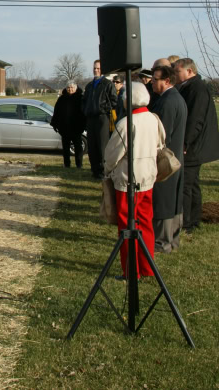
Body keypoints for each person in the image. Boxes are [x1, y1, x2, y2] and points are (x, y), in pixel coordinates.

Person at [104, 82, 165, 278]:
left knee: (127, 226)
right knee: (145, 222)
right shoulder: (153, 119)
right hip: (147, 177)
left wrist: (107, 170)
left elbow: (112, 154)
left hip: (127, 180)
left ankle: (131, 271)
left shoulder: (126, 123)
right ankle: (147, 267)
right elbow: (160, 144)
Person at [174, 58, 219, 232]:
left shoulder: (197, 89)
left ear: (189, 71)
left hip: (194, 146)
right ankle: (193, 219)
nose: (175, 75)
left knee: (187, 184)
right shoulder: (189, 87)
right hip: (193, 144)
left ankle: (188, 222)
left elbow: (196, 119)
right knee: (192, 184)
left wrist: (185, 142)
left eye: (177, 71)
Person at [149, 65, 186, 253]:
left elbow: (163, 135)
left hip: (167, 160)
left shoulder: (168, 102)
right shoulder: (173, 98)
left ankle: (163, 242)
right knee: (173, 199)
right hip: (175, 158)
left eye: (156, 79)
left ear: (167, 81)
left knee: (164, 200)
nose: (152, 82)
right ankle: (173, 239)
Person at [82, 60, 120, 179]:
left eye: (98, 68)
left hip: (102, 118)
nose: (96, 70)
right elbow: (83, 101)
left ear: (102, 70)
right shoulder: (89, 86)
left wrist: (102, 108)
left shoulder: (107, 84)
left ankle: (104, 171)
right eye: (94, 68)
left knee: (102, 145)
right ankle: (94, 170)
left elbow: (114, 101)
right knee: (92, 146)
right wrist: (85, 110)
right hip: (90, 119)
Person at [50, 81, 86, 168]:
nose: (70, 89)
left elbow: (84, 113)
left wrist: (84, 125)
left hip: (76, 128)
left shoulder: (80, 98)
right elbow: (56, 112)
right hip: (64, 128)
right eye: (68, 88)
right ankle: (67, 164)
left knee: (78, 148)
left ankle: (79, 164)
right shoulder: (62, 99)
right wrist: (55, 124)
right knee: (65, 148)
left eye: (72, 87)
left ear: (76, 88)